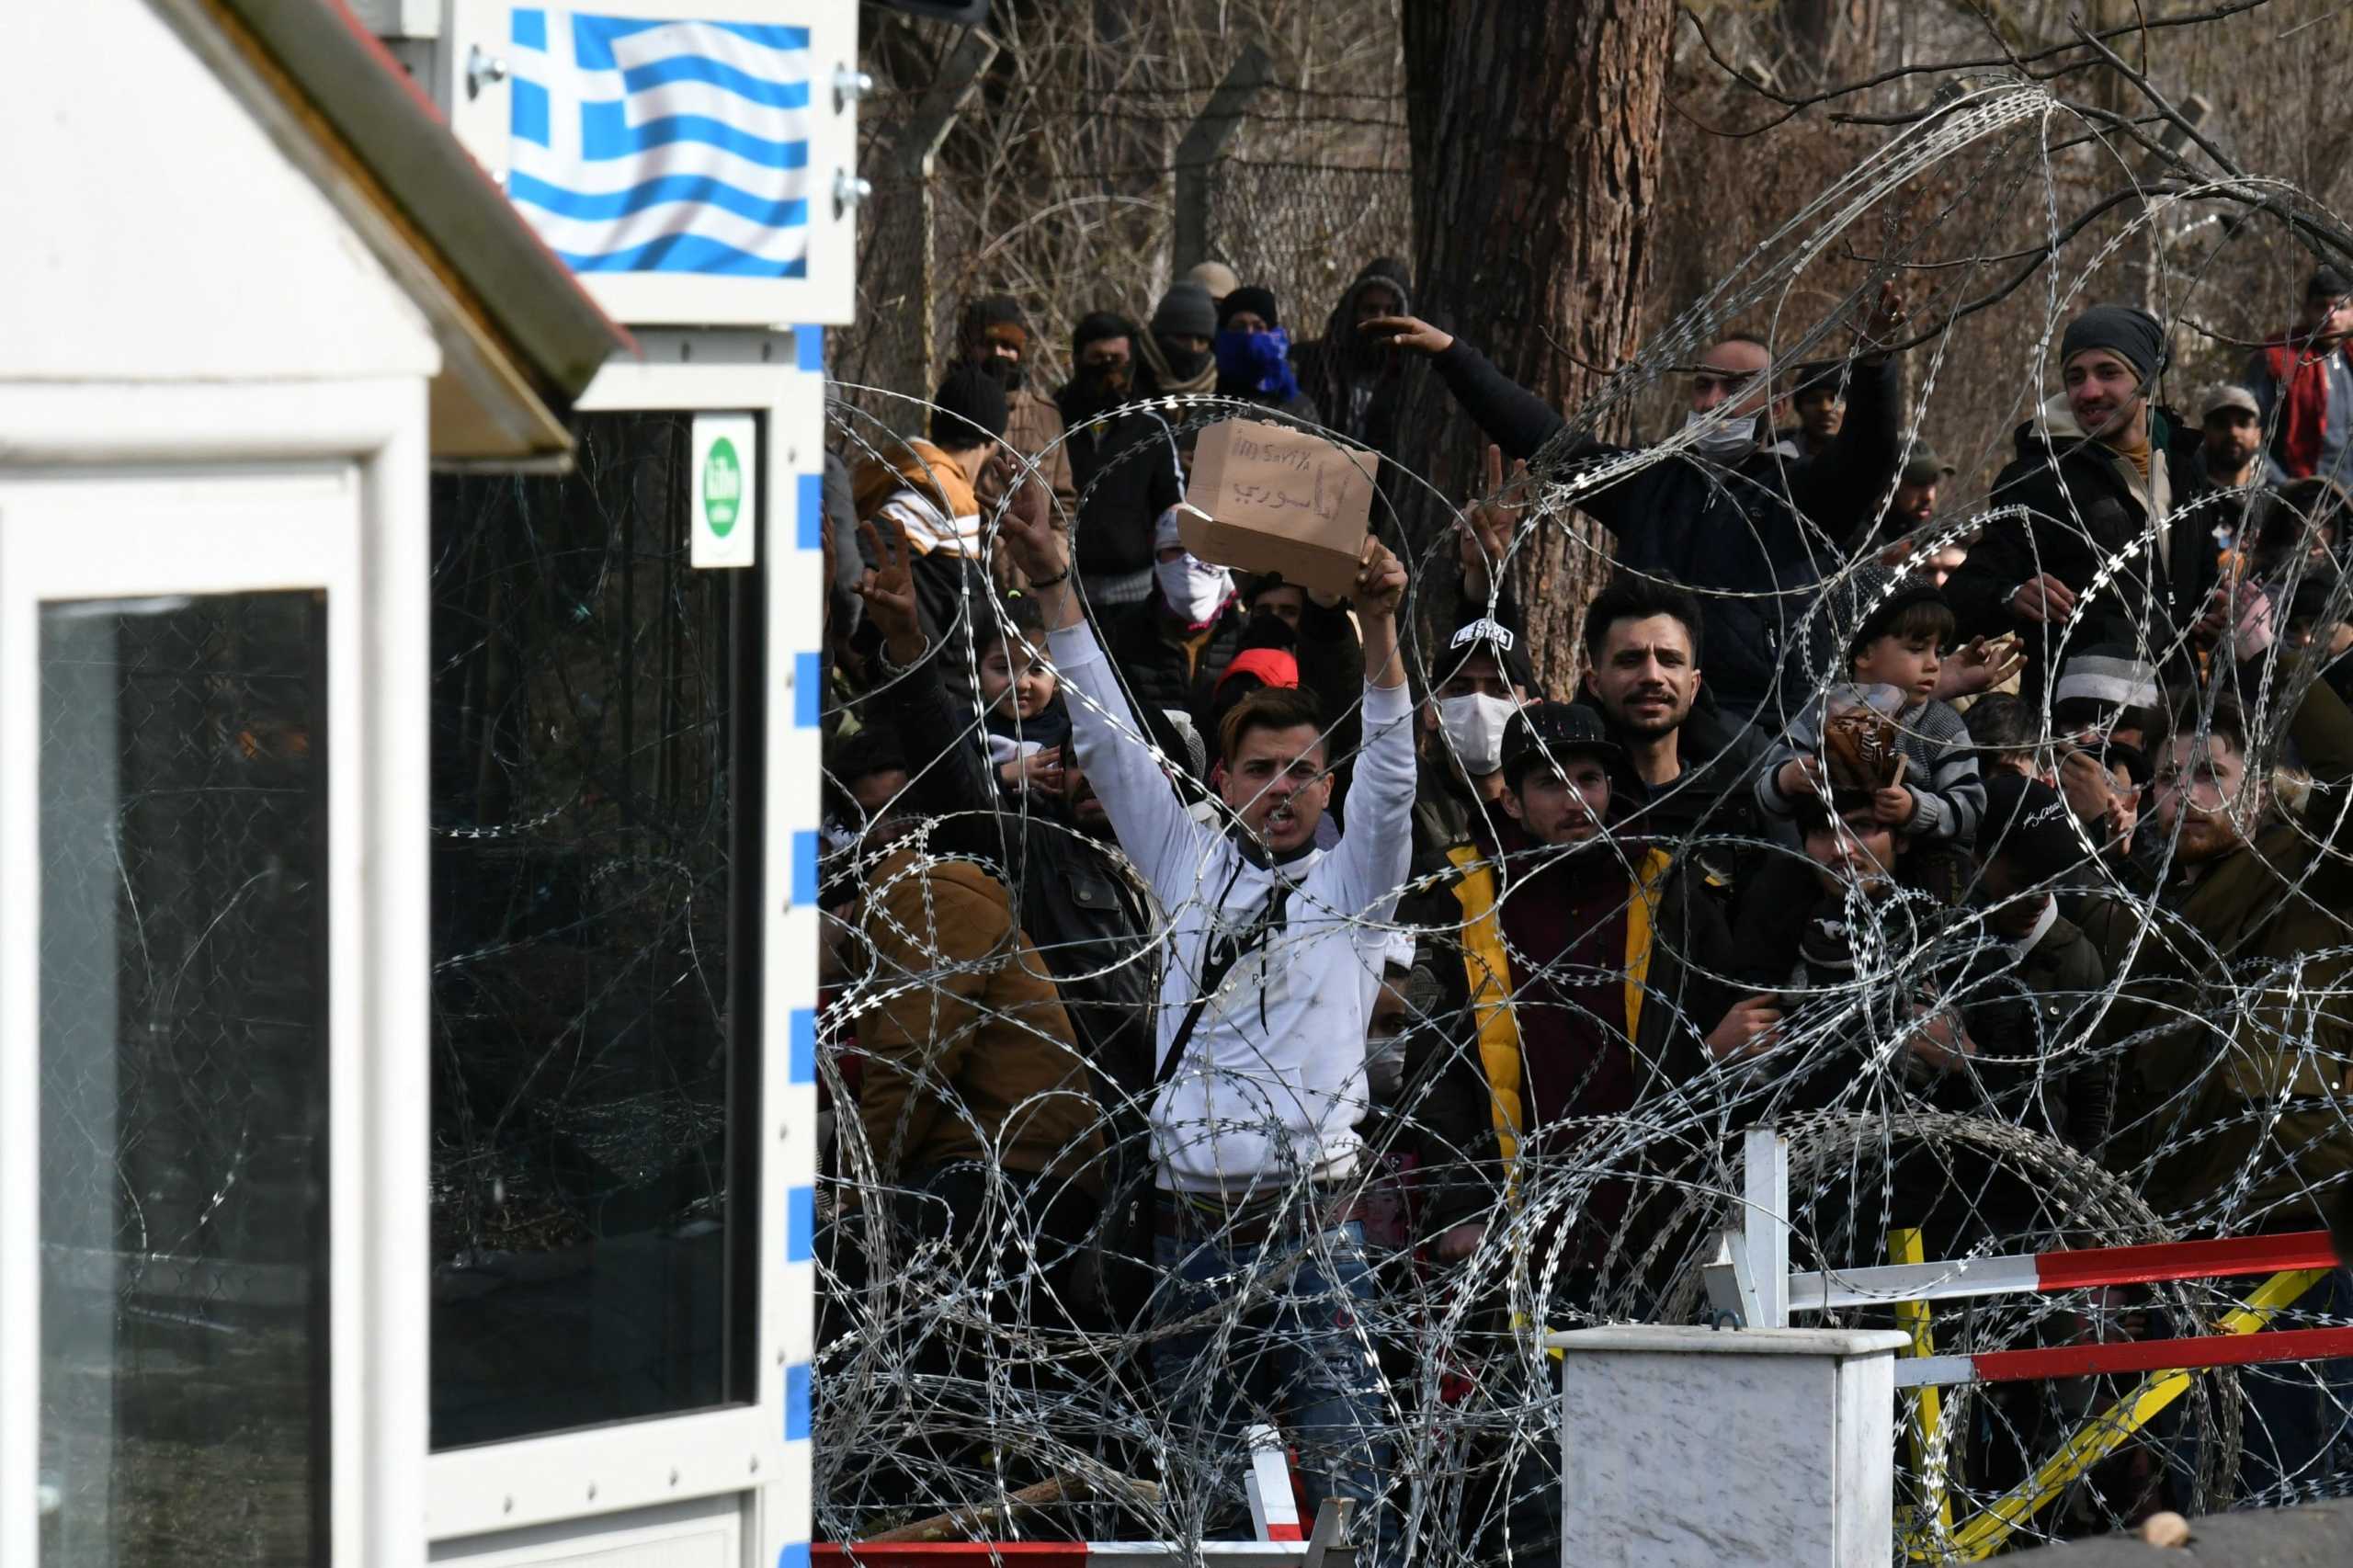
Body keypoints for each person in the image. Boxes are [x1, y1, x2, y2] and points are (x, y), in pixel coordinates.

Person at [997, 472, 1415, 1556]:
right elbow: (1103, 741)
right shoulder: (1183, 861)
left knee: (1347, 1489)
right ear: (1222, 778)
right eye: (1260, 768)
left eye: (1304, 770)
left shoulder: (1354, 884)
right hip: (1190, 1229)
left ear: (1328, 785)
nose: (1284, 787)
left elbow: (1396, 770)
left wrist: (1377, 629)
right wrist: (1053, 585)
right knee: (1208, 1503)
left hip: (1312, 1232)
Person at [1365, 287, 1909, 722]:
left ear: (1777, 402)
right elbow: (1550, 441)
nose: (1713, 401)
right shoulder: (1649, 484)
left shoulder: (1803, 494)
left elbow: (1870, 454)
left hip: (1761, 723)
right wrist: (1453, 356)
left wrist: (1877, 363)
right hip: (1637, 710)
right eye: (1702, 386)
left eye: (1736, 385)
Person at [2085, 677, 2353, 1504]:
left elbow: (2346, 776)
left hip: (2296, 1213)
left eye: (2213, 773)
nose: (2186, 794)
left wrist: (2272, 658)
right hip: (2191, 1230)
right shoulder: (2163, 910)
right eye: (2169, 775)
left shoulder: (2317, 874)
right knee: (2209, 1488)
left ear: (2267, 786)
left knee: (2291, 1485)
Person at [837, 725, 1109, 1496]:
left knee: (920, 1413)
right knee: (974, 1410)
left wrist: (872, 1194)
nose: (875, 835)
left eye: (887, 818)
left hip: (1001, 1177)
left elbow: (913, 1058)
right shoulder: (919, 897)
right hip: (1004, 1172)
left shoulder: (929, 890)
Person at [1411, 700, 1742, 1276]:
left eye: (1588, 780)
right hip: (1513, 1217)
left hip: (1651, 1207)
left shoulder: (1665, 884)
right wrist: (1460, 1202)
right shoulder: (1461, 891)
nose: (1574, 801)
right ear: (1510, 800)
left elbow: (1720, 1026)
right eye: (1551, 784)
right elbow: (1436, 1064)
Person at [1946, 302, 2220, 701]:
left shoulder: (2184, 465)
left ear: (2145, 379)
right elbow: (1961, 599)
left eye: (2108, 373)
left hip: (2173, 714)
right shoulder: (2040, 480)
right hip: (2081, 727)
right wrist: (2012, 595)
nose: (2089, 392)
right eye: (2075, 378)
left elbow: (2195, 583)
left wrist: (2216, 611)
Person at [1757, 572, 1987, 903]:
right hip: (1829, 870)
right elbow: (1765, 795)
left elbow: (1971, 808)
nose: (1933, 665)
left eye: (1939, 652)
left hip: (1921, 882)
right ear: (1864, 654)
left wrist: (1915, 808)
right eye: (1918, 649)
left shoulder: (1941, 727)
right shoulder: (1819, 714)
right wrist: (1789, 778)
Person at [1573, 574, 1769, 897]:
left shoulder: (1736, 804)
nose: (1652, 676)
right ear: (1595, 684)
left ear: (1693, 686)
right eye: (1630, 660)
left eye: (1669, 660)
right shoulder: (1571, 803)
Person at [851, 363, 1007, 643]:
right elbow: (864, 558)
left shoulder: (922, 474)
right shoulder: (940, 492)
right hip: (933, 671)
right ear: (990, 441)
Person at [1056, 310, 1184, 610]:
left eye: (1117, 359)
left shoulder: (1150, 425)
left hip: (1134, 586)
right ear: (1077, 360)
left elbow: (1172, 502)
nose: (1108, 369)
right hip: (1068, 583)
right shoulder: (1054, 419)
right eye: (1097, 358)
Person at [1104, 509, 1247, 743]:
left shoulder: (1245, 636)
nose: (1190, 562)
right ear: (1157, 555)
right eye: (1177, 549)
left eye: (1202, 551)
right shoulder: (1123, 635)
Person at [958, 294, 1078, 530]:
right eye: (986, 345)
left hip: (1031, 561)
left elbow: (1063, 501)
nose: (998, 354)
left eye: (1007, 345)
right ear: (968, 349)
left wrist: (1056, 551)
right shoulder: (952, 411)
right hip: (969, 556)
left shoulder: (1045, 416)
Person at [2245, 263, 2353, 483]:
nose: (2331, 316)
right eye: (2321, 306)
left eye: (2340, 307)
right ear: (2306, 310)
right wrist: (2284, 487)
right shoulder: (2278, 358)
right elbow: (2249, 436)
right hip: (2294, 495)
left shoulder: (2349, 358)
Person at [1294, 258, 1414, 453]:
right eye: (1371, 309)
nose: (1380, 319)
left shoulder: (1412, 374)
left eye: (1390, 310)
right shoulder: (1310, 361)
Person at [1213, 285, 1320, 425]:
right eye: (1239, 327)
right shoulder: (1208, 399)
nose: (1249, 335)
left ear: (1272, 334)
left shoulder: (1296, 407)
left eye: (1258, 327)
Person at [2182, 383, 2267, 507]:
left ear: (2257, 435)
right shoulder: (2185, 491)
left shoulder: (2274, 498)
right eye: (2221, 424)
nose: (2233, 433)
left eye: (2243, 424)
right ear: (2204, 432)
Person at [1135, 281, 1220, 401]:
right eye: (1183, 337)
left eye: (1202, 340)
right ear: (1159, 337)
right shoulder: (1131, 383)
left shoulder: (1224, 393)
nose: (1193, 348)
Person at [1774, 360, 1844, 464]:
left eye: (1835, 399)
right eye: (1813, 400)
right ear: (1799, 407)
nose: (1825, 408)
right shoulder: (1775, 457)